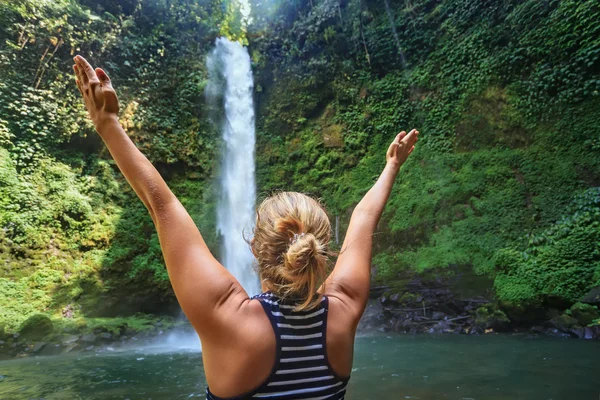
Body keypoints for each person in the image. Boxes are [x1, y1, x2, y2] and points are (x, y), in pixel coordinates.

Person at [73, 55, 419, 399]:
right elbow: (365, 217)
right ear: (321, 247)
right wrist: (391, 167)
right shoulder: (344, 309)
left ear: (255, 246)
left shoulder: (232, 320)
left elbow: (161, 205)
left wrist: (106, 122)